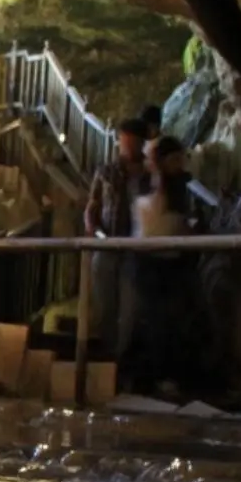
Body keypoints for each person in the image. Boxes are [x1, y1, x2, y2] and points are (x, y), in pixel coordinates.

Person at [120, 135, 212, 396]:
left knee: (176, 321)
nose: (179, 164)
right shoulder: (146, 183)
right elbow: (152, 216)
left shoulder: (183, 186)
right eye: (173, 159)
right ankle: (144, 377)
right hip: (148, 263)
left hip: (175, 263)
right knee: (150, 321)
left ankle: (172, 375)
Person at [82, 117, 149, 355]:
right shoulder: (106, 172)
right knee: (105, 307)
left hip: (136, 251)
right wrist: (97, 233)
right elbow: (92, 208)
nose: (127, 147)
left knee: (130, 309)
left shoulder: (150, 176)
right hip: (108, 245)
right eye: (124, 141)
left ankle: (122, 357)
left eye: (132, 142)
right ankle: (108, 357)